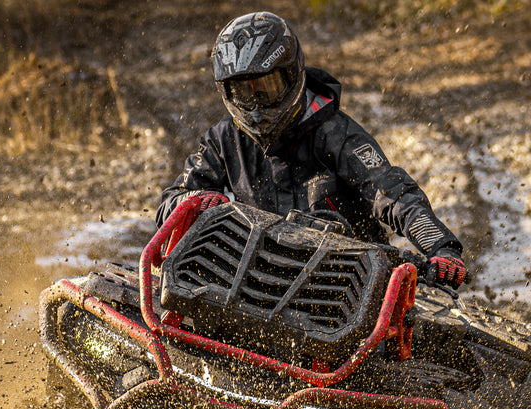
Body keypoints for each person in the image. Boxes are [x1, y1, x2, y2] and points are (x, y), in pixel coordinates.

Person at [155, 11, 468, 288]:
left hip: (349, 280)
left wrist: (441, 248)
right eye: (244, 92)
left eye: (267, 87)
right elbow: (172, 200)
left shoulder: (337, 133)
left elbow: (393, 194)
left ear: (293, 74)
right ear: (226, 92)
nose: (257, 104)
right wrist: (195, 200)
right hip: (257, 277)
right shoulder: (222, 138)